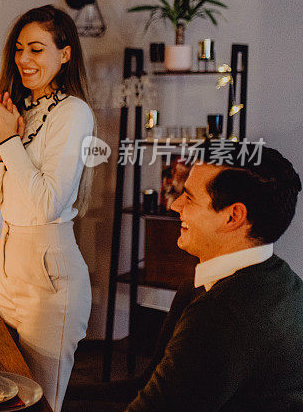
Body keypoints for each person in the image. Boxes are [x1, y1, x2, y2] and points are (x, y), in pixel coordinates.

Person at [0, 5, 95, 411]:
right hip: (10, 277)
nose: (23, 59)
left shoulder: (73, 113)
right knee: (3, 397)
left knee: (38, 403)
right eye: (20, 49)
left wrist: (7, 141)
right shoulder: (19, 112)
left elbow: (46, 204)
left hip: (51, 283)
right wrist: (0, 142)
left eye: (37, 49)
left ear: (65, 54)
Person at [125, 146, 303, 412]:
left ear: (233, 216)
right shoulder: (286, 282)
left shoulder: (220, 316)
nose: (175, 205)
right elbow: (144, 388)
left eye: (189, 197)